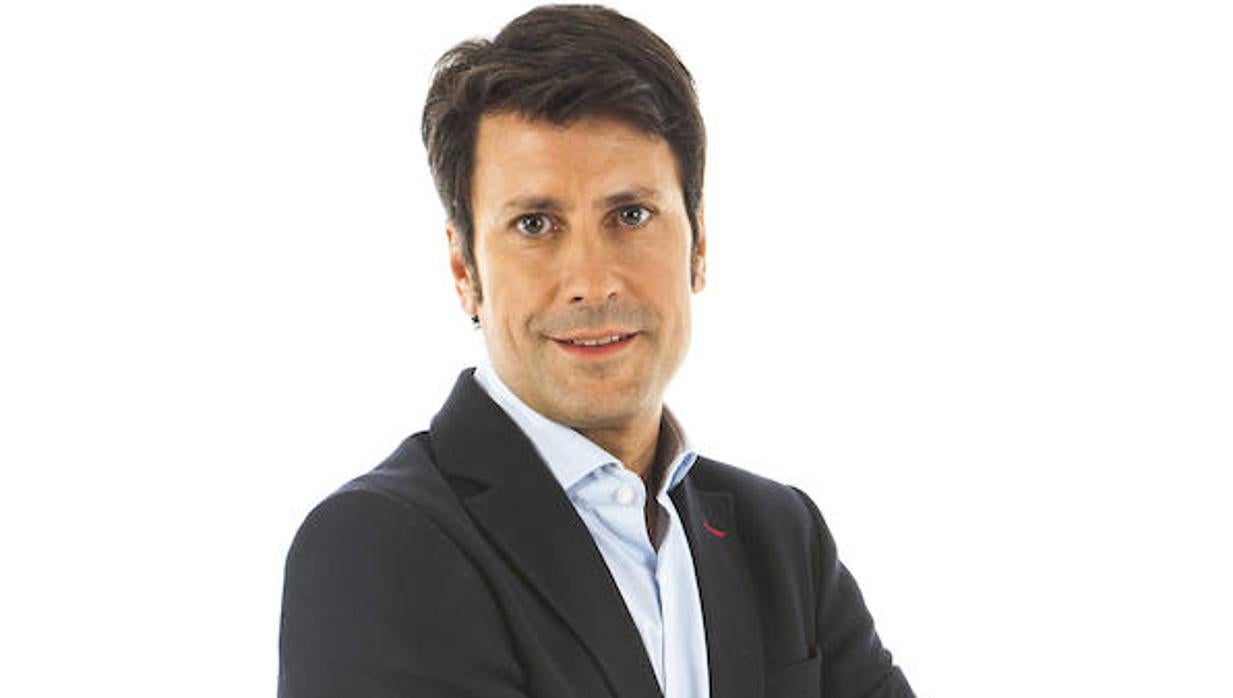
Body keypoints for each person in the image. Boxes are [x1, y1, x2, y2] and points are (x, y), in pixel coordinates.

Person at [278, 5, 914, 697]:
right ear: (464, 270)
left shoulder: (783, 540)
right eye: (535, 224)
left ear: (698, 244)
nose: (592, 281)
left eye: (630, 215)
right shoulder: (379, 545)